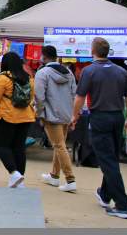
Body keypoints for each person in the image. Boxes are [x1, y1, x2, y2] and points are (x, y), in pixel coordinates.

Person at [70, 37, 127, 219]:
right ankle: (104, 194)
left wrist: (74, 117)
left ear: (93, 51)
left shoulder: (89, 72)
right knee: (111, 157)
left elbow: (79, 98)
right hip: (117, 117)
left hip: (100, 117)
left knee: (107, 161)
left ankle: (123, 204)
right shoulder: (121, 72)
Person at [0, 51, 35, 188]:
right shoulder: (29, 78)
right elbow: (31, 97)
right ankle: (19, 179)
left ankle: (14, 173)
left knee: (2, 146)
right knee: (19, 148)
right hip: (26, 116)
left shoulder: (3, 78)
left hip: (7, 116)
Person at [35, 45, 77, 193]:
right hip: (66, 114)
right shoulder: (69, 73)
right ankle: (54, 175)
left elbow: (39, 97)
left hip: (51, 115)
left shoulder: (42, 73)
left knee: (59, 146)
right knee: (60, 145)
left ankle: (70, 179)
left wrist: (39, 113)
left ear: (44, 57)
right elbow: (74, 94)